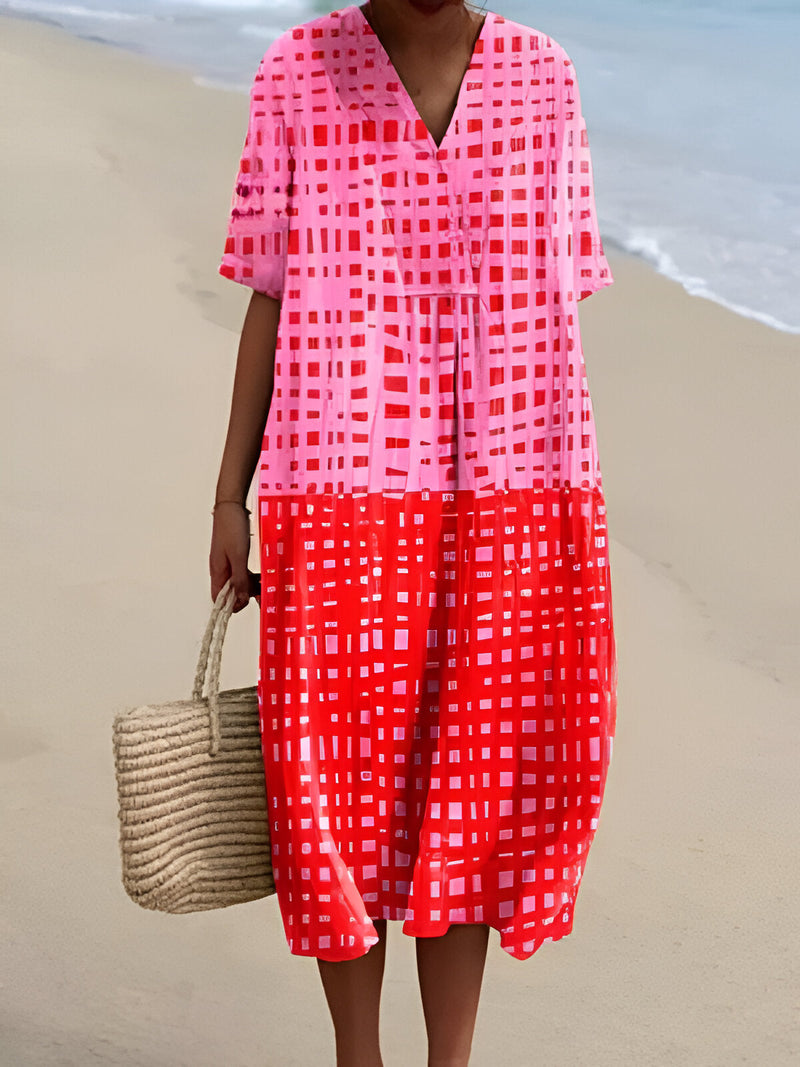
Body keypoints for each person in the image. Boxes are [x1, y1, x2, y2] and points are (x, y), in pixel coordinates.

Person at [210, 2, 618, 1064]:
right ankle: (359, 1057)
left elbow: (556, 306)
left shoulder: (543, 78)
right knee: (332, 786)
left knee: (473, 789)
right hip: (335, 487)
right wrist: (228, 495)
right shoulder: (296, 69)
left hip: (509, 490)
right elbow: (269, 295)